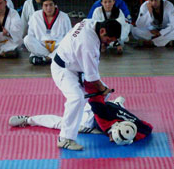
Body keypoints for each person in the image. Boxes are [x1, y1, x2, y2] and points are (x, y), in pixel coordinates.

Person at [40, 19, 121, 150]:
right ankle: (65, 138)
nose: (109, 43)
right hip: (63, 70)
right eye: (108, 39)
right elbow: (92, 78)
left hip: (76, 68)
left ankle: (86, 123)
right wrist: (103, 89)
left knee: (101, 95)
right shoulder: (88, 44)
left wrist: (103, 90)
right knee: (77, 98)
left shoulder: (91, 23)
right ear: (102, 31)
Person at [8, 95, 153, 146]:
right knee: (64, 124)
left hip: (113, 109)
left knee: (117, 106)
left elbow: (149, 127)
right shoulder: (103, 118)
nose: (110, 140)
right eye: (111, 137)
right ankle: (28, 119)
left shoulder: (141, 129)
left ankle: (119, 101)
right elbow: (95, 100)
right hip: (93, 111)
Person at [24, 0, 71, 65]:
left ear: (55, 5)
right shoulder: (35, 16)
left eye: (51, 5)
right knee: (27, 39)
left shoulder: (64, 17)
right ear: (42, 7)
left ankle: (44, 58)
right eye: (46, 5)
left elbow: (69, 36)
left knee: (68, 43)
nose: (48, 8)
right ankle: (50, 58)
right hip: (41, 46)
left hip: (57, 46)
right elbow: (31, 35)